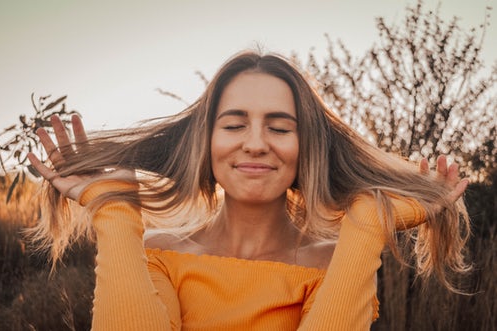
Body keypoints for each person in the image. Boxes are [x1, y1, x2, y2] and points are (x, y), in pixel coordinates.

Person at [28, 50, 470, 330]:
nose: (255, 143)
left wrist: (368, 222)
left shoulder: (335, 263)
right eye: (234, 124)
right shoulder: (159, 255)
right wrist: (117, 212)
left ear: (306, 146)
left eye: (279, 127)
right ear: (207, 142)